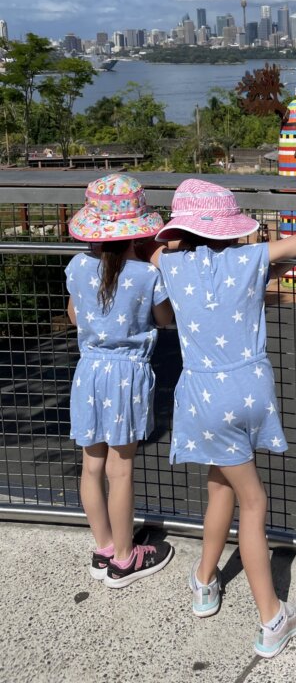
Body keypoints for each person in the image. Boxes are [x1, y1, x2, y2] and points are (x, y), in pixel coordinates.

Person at [152, 178, 296, 658]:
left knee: (234, 488)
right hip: (249, 388)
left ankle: (212, 585)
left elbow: (164, 316)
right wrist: (258, 243)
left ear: (181, 229)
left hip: (204, 394)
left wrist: (167, 247)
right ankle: (270, 615)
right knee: (230, 489)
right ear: (229, 227)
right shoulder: (249, 259)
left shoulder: (168, 263)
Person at [66, 174, 175, 586]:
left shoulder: (76, 266)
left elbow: (76, 316)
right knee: (122, 468)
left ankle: (105, 547)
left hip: (88, 371)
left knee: (91, 464)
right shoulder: (146, 275)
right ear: (137, 231)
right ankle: (127, 559)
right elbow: (165, 321)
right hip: (126, 375)